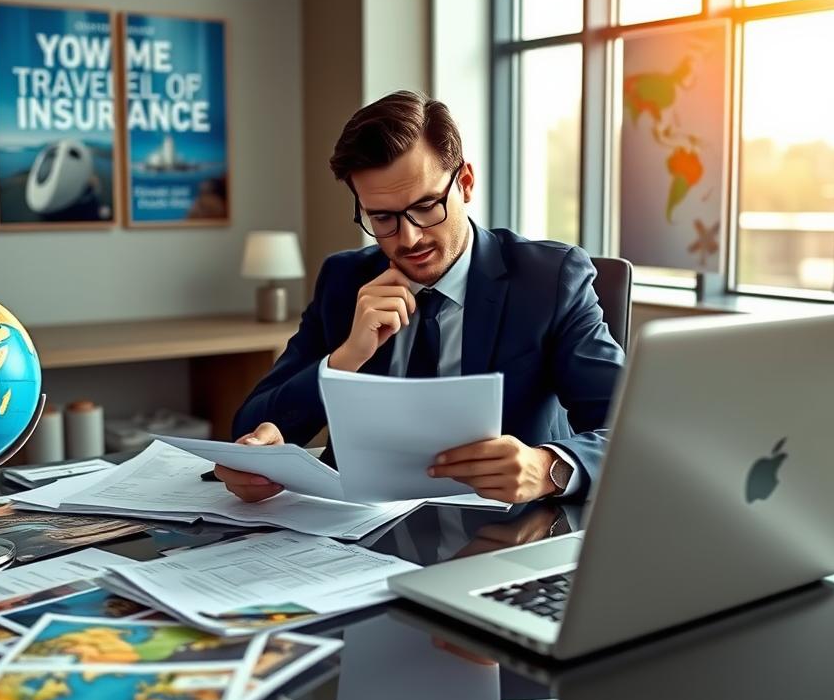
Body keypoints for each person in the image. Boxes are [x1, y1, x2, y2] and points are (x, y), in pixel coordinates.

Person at [216, 91, 623, 510]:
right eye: (382, 218)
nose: (408, 238)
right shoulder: (344, 279)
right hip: (354, 533)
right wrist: (344, 360)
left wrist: (548, 466)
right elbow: (250, 428)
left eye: (426, 207)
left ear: (464, 183)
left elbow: (631, 430)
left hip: (505, 532)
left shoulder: (548, 280)